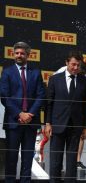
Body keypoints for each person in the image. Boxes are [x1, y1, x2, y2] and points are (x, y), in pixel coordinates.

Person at [0, 42, 45, 183]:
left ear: (28, 55)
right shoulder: (7, 72)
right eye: (17, 53)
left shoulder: (36, 72)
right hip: (14, 122)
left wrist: (29, 114)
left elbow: (40, 95)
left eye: (22, 53)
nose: (19, 55)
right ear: (14, 54)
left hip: (31, 123)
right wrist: (20, 114)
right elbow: (4, 97)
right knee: (11, 159)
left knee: (27, 160)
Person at [45, 51, 86, 183]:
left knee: (71, 163)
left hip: (75, 126)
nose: (76, 68)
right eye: (73, 64)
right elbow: (49, 103)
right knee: (55, 161)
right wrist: (48, 123)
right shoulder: (54, 79)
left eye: (78, 65)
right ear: (66, 63)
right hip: (57, 125)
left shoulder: (85, 81)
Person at [55, 60, 86, 169]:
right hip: (62, 108)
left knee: (81, 131)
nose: (79, 76)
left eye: (82, 74)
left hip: (76, 108)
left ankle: (77, 161)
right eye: (78, 73)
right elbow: (51, 89)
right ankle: (59, 165)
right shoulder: (61, 72)